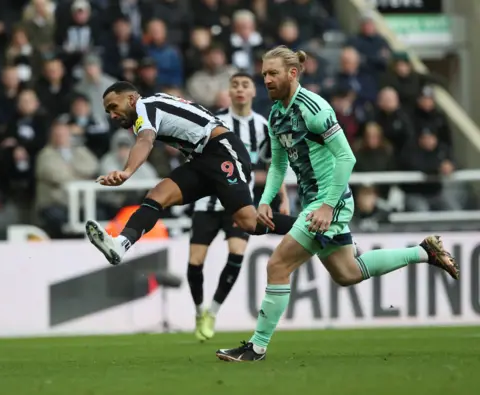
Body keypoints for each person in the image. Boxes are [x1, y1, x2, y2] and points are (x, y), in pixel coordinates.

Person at [215, 45, 460, 362]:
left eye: (273, 73)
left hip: (329, 202)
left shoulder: (313, 107)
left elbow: (347, 157)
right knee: (347, 273)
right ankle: (424, 251)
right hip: (315, 203)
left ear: (293, 73)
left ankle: (257, 347)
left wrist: (328, 206)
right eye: (263, 74)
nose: (267, 80)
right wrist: (264, 200)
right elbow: (277, 165)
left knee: (277, 265)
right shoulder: (276, 113)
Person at [85, 81, 293, 265]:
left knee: (248, 221)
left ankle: (312, 227)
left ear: (131, 99)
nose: (112, 115)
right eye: (108, 112)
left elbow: (145, 140)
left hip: (222, 151)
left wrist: (128, 171)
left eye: (114, 107)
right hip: (203, 157)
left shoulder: (144, 107)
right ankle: (121, 243)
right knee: (157, 195)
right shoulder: (152, 104)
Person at [189, 72, 293, 342]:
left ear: (253, 92)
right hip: (207, 202)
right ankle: (199, 310)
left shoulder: (261, 125)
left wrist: (280, 196)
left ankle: (213, 311)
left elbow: (272, 164)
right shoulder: (215, 121)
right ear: (230, 91)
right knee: (195, 262)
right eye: (234, 85)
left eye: (245, 85)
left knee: (236, 252)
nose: (239, 89)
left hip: (239, 203)